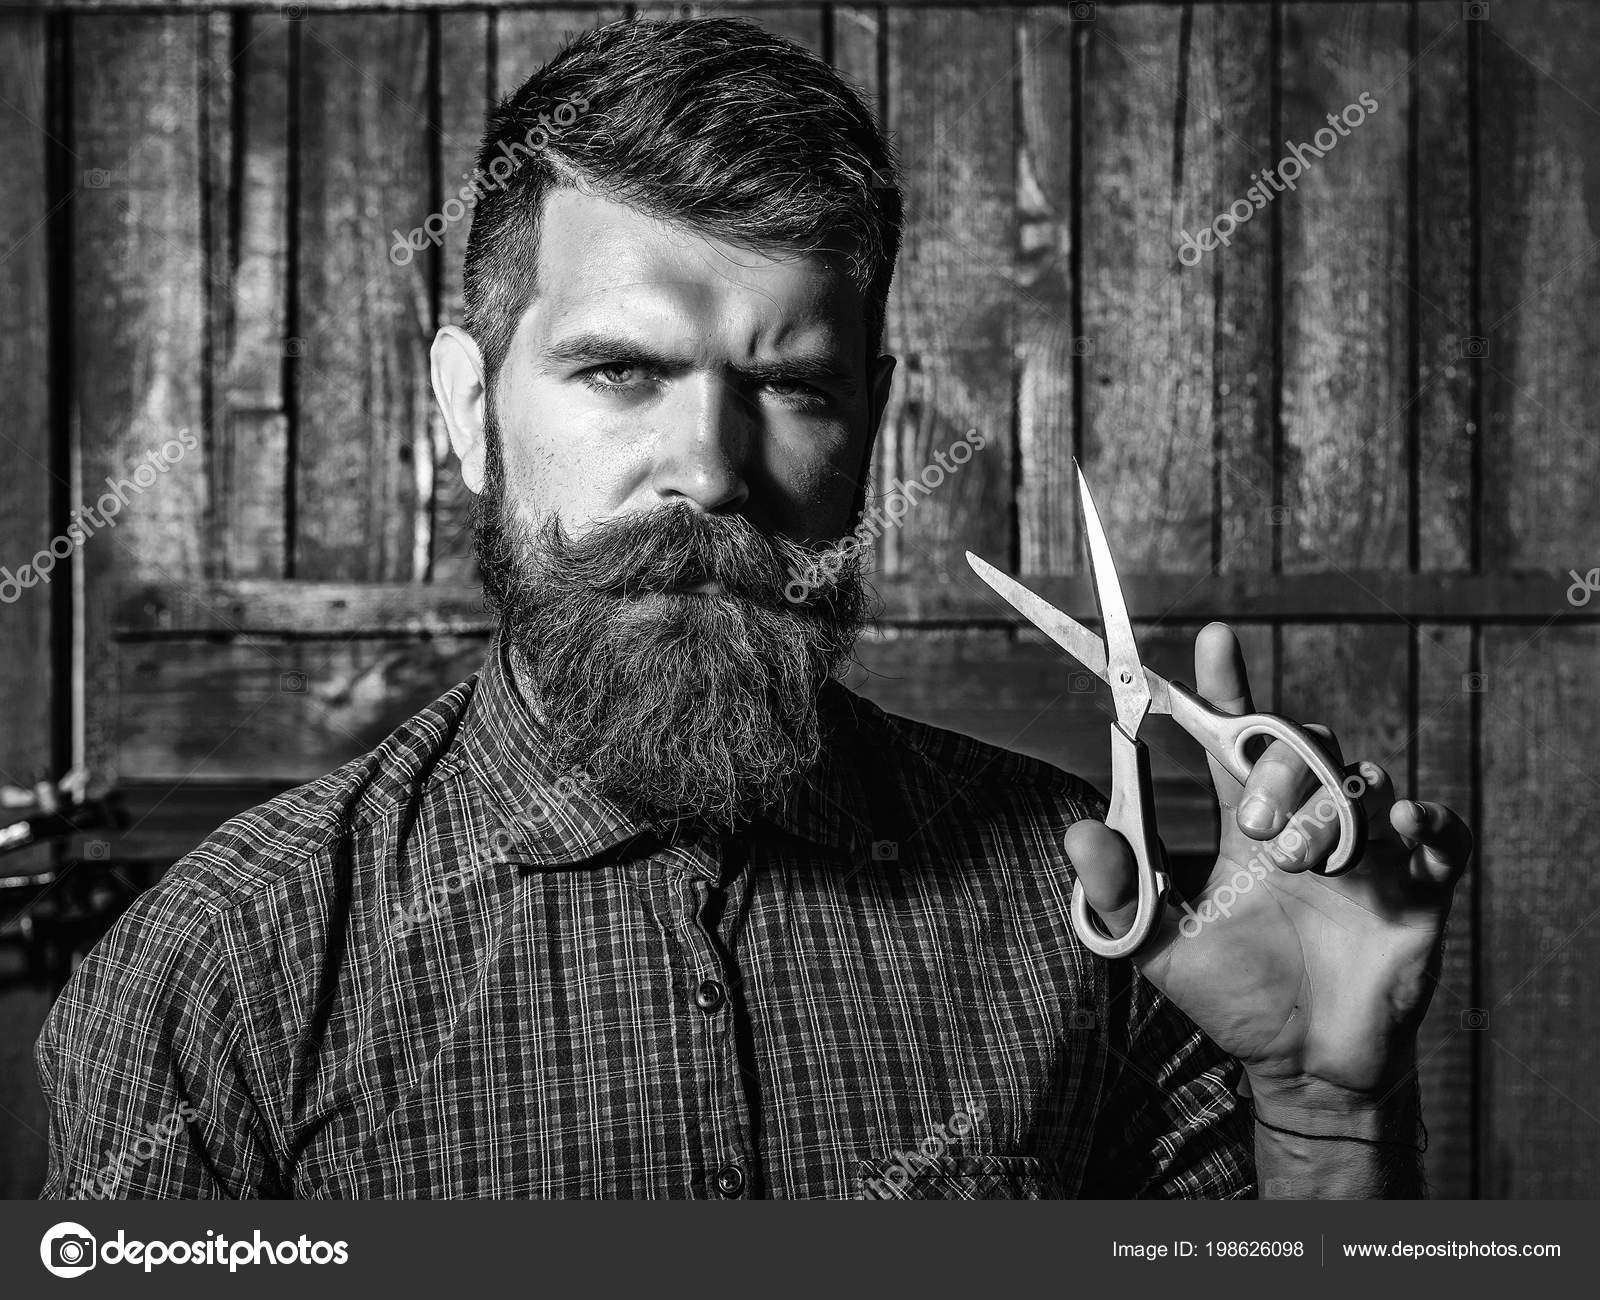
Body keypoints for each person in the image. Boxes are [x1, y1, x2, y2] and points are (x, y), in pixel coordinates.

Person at [36, 16, 1470, 1200]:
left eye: (790, 387)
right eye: (619, 373)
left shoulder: (1110, 911)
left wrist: (1321, 1114)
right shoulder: (213, 977)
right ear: (468, 413)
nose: (714, 471)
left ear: (873, 423)